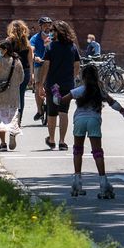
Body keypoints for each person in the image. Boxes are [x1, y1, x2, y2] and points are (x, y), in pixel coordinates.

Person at [67, 62, 124, 199]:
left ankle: (77, 183)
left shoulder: (79, 90)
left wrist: (55, 93)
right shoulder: (100, 90)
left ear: (83, 77)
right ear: (97, 77)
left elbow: (61, 100)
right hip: (94, 120)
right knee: (97, 152)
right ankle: (103, 184)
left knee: (77, 150)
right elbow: (112, 102)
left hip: (79, 120)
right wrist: (123, 111)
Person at [37, 19, 80, 150]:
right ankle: (62, 141)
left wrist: (41, 84)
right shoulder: (72, 46)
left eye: (52, 30)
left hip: (53, 84)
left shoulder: (51, 47)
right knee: (64, 111)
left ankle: (51, 139)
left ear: (58, 32)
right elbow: (77, 65)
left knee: (52, 112)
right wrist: (71, 78)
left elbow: (46, 65)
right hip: (67, 84)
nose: (50, 33)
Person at [0, 40, 25, 151]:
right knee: (12, 118)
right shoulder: (17, 61)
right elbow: (22, 78)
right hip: (13, 96)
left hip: (0, 95)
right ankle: (13, 134)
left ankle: (3, 144)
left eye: (1, 49)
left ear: (6, 50)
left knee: (0, 119)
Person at [29, 16, 53, 123]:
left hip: (51, 65)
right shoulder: (35, 38)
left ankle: (54, 106)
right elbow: (31, 50)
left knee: (55, 86)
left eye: (49, 25)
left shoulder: (53, 37)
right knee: (38, 86)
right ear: (41, 27)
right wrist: (34, 57)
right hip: (39, 65)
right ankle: (39, 110)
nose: (47, 27)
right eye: (45, 25)